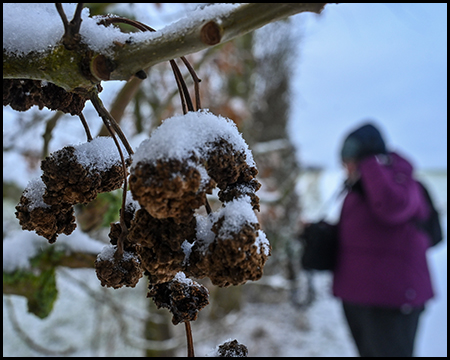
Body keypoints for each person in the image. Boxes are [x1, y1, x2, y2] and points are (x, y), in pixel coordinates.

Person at [333, 122, 435, 357]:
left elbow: (391, 206)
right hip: (361, 296)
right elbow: (365, 231)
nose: (344, 168)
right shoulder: (361, 186)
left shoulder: (399, 181)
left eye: (348, 160)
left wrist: (370, 165)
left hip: (392, 301)